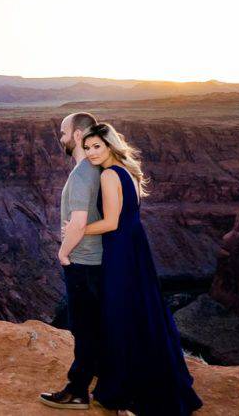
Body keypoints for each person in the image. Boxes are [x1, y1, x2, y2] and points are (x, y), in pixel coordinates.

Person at [76, 122, 203, 416]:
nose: (91, 153)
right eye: (87, 148)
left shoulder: (109, 174)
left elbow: (111, 222)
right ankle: (152, 382)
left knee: (119, 316)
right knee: (142, 312)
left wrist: (78, 229)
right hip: (136, 247)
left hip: (120, 250)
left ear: (110, 145)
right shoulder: (128, 170)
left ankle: (127, 394)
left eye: (97, 146)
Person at [39, 112, 105, 410]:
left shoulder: (81, 173)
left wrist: (63, 253)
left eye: (64, 132)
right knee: (95, 325)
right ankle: (103, 383)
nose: (61, 137)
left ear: (78, 135)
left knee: (84, 328)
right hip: (97, 261)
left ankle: (78, 390)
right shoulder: (97, 167)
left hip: (82, 261)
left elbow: (78, 223)